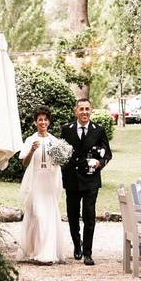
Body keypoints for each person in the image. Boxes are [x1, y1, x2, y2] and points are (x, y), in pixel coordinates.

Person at [60, 98, 112, 266]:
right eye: (81, 109)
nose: (84, 112)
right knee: (73, 215)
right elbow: (62, 153)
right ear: (76, 111)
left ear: (91, 111)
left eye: (87, 109)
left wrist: (100, 163)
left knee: (89, 216)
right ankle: (77, 245)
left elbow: (108, 154)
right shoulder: (66, 129)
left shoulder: (99, 130)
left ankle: (88, 253)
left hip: (91, 179)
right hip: (72, 179)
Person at [16, 106, 66, 264]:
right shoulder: (31, 140)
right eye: (40, 120)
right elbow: (24, 163)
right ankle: (34, 251)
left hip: (50, 183)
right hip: (36, 181)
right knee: (37, 215)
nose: (43, 122)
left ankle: (47, 253)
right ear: (35, 122)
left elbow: (60, 162)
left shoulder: (54, 141)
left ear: (48, 122)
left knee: (49, 216)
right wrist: (31, 151)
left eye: (45, 119)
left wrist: (59, 157)